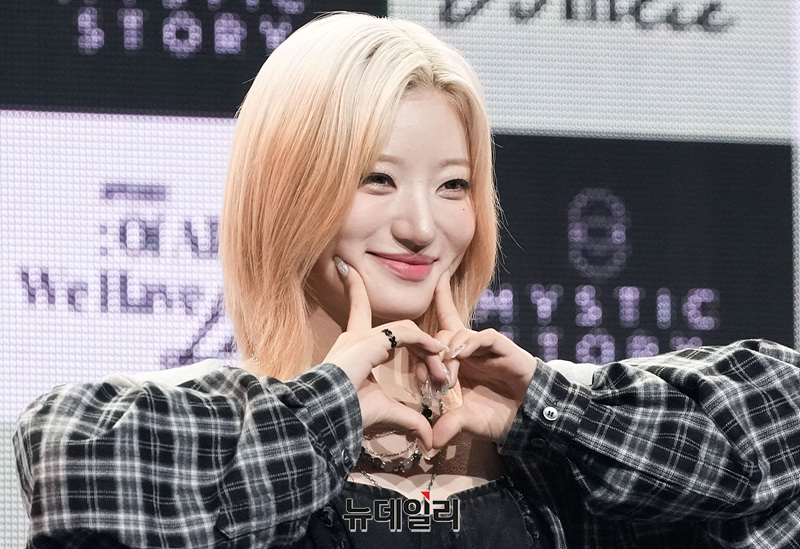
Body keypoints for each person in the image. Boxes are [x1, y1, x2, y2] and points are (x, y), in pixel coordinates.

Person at [13, 11, 800, 549]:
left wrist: (547, 409)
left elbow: (778, 430)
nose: (422, 226)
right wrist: (324, 414)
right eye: (378, 179)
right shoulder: (197, 431)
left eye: (453, 185)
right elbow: (72, 464)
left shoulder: (549, 448)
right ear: (289, 191)